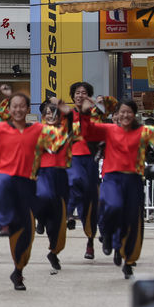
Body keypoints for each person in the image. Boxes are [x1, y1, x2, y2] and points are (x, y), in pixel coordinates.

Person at [0, 91, 72, 291]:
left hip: (27, 185)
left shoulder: (39, 130)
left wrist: (67, 115)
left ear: (27, 108)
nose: (18, 109)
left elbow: (60, 139)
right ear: (9, 108)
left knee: (25, 233)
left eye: (22, 106)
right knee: (3, 181)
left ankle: (18, 270)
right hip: (4, 182)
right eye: (14, 106)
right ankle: (2, 222)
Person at [78, 96, 154, 279]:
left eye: (129, 112)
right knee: (112, 206)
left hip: (134, 180)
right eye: (122, 112)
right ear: (116, 115)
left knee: (131, 222)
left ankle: (129, 261)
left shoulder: (144, 131)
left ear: (134, 114)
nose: (125, 115)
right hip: (112, 179)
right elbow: (87, 131)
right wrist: (85, 112)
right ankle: (107, 235)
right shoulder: (109, 130)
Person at [33, 100, 76, 275]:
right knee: (44, 197)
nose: (50, 115)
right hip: (42, 174)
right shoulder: (37, 131)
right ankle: (40, 219)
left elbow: (72, 123)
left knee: (57, 221)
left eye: (54, 112)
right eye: (47, 112)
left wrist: (67, 110)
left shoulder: (65, 132)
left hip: (61, 176)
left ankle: (53, 251)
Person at [66, 81, 104, 260]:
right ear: (73, 96)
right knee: (72, 182)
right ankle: (67, 214)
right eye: (77, 93)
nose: (80, 95)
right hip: (72, 158)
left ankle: (91, 241)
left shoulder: (95, 112)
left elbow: (95, 132)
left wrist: (95, 105)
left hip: (89, 159)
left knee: (90, 205)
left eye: (84, 93)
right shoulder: (66, 114)